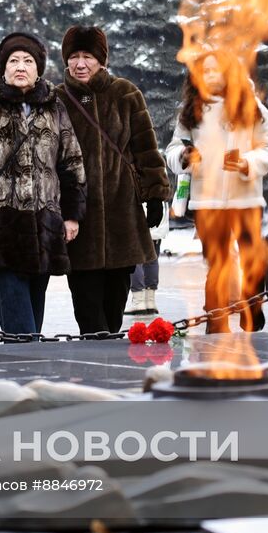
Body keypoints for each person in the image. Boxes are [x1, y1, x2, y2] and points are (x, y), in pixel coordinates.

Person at [0, 34, 86, 336]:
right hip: (1, 225)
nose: (20, 67)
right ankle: (24, 373)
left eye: (28, 61)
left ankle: (26, 377)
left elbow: (71, 162)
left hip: (45, 225)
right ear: (3, 68)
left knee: (33, 323)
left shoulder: (54, 106)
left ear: (38, 69)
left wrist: (72, 214)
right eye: (13, 61)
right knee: (21, 330)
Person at [57, 25, 170, 337]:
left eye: (88, 56)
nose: (81, 64)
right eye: (74, 57)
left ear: (101, 60)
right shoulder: (57, 100)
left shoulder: (126, 93)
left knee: (114, 308)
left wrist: (156, 194)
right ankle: (96, 370)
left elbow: (146, 148)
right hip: (80, 220)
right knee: (89, 313)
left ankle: (109, 372)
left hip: (123, 214)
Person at [164, 53, 268, 332]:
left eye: (216, 70)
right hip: (207, 200)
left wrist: (247, 163)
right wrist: (184, 155)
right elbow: (172, 148)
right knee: (216, 262)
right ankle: (216, 321)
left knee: (251, 257)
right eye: (204, 71)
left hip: (246, 199)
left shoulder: (250, 106)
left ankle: (252, 307)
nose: (210, 76)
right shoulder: (191, 109)